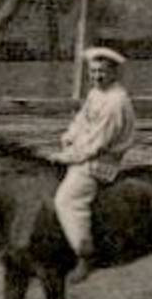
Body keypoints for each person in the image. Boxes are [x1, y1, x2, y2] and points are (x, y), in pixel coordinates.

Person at [49, 47, 138, 282]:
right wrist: (69, 136)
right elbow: (82, 119)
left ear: (114, 73)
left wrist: (66, 156)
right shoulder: (97, 94)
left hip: (99, 162)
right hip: (84, 152)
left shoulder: (115, 102)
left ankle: (85, 255)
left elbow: (97, 143)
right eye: (93, 71)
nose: (97, 76)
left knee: (67, 199)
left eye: (103, 71)